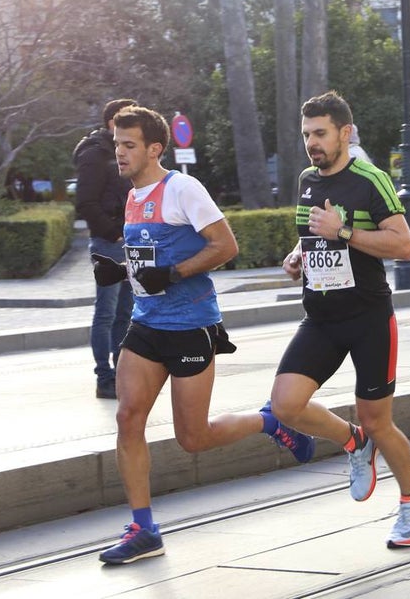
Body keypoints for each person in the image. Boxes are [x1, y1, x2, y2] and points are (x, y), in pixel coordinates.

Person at [94, 106, 314, 565]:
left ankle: (269, 422)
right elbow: (148, 262)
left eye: (128, 144)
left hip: (191, 326)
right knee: (127, 419)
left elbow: (225, 246)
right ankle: (143, 527)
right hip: (147, 324)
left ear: (154, 148)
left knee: (192, 438)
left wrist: (171, 273)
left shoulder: (182, 188)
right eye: (116, 143)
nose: (119, 152)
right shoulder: (134, 196)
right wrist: (122, 271)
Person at [269, 91, 410, 549]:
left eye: (320, 134)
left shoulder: (369, 179)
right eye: (306, 135)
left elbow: (403, 246)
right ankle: (353, 443)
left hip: (367, 317)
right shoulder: (306, 180)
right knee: (286, 403)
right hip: (320, 315)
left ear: (344, 133)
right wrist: (299, 254)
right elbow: (311, 235)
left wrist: (342, 231)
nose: (312, 144)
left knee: (378, 419)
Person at [74, 98, 137, 399]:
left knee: (126, 312)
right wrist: (113, 233)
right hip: (109, 244)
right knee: (106, 313)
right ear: (113, 121)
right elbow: (85, 202)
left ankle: (122, 374)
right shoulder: (94, 154)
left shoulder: (124, 152)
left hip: (130, 242)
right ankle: (104, 377)